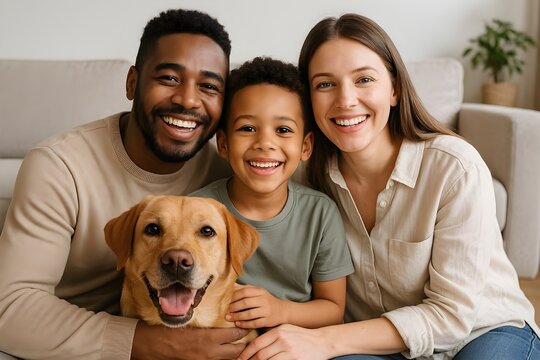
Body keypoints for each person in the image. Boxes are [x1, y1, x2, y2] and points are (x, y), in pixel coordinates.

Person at [239, 13, 540, 360]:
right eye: (325, 84)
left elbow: (452, 317)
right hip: (381, 344)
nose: (346, 100)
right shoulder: (304, 176)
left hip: (483, 331)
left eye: (364, 79)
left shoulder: (454, 168)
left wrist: (323, 342)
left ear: (394, 89)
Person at [0, 8, 252, 360]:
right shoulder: (59, 166)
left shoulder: (230, 170)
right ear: (133, 83)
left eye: (209, 86)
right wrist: (152, 344)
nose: (188, 100)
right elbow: (9, 310)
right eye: (168, 78)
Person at [191, 57, 354, 332]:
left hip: (294, 344)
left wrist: (281, 310)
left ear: (305, 147)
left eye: (283, 130)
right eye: (248, 128)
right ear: (223, 143)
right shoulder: (197, 210)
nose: (265, 143)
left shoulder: (320, 213)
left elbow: (333, 309)